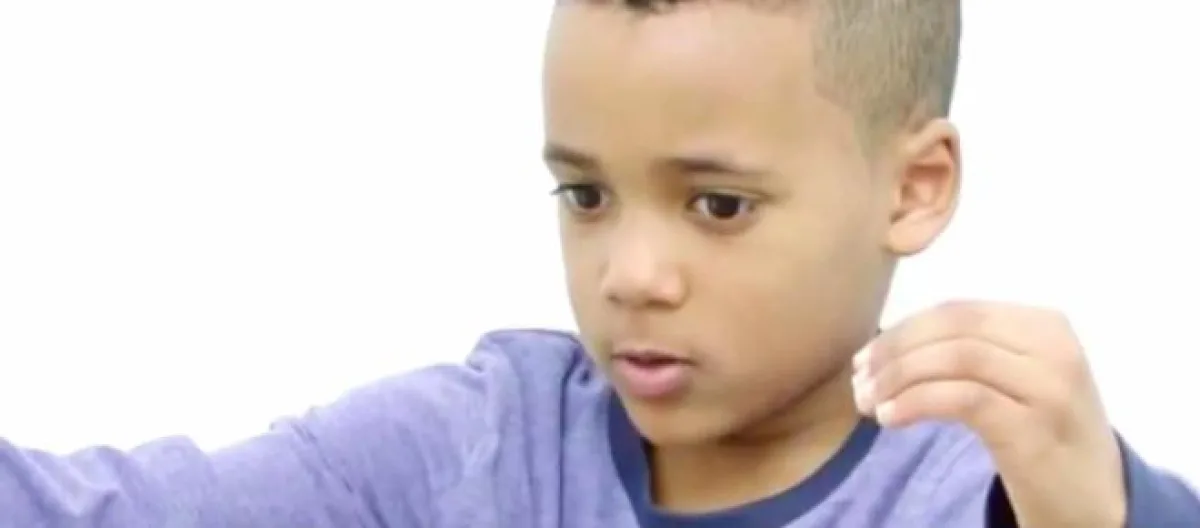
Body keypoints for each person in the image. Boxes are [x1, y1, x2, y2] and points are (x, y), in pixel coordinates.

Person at [3, 0, 1199, 526]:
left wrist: (1102, 517)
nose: (630, 274)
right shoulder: (484, 446)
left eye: (718, 205)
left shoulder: (989, 494)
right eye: (584, 194)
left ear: (914, 186)